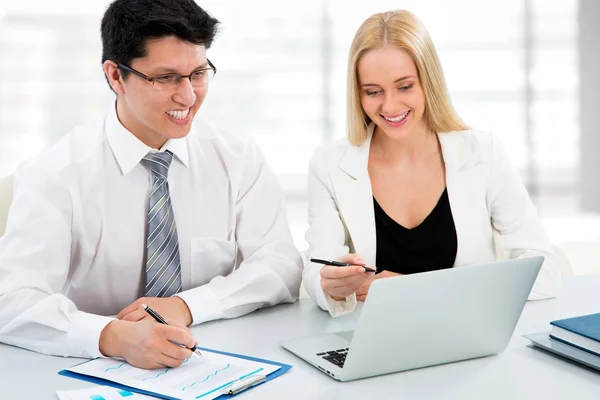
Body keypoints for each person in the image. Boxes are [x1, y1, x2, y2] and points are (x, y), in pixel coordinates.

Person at [0, 0, 302, 369]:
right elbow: (11, 300)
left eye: (198, 73)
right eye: (166, 78)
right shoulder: (55, 175)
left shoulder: (236, 158)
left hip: (213, 363)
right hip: (91, 370)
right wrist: (112, 336)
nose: (188, 97)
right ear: (115, 77)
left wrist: (186, 306)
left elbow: (281, 264)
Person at [302, 10, 562, 317]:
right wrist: (332, 285)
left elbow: (544, 270)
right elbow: (316, 269)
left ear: (429, 81)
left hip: (468, 334)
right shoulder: (330, 164)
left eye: (405, 86)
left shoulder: (482, 153)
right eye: (373, 92)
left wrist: (413, 289)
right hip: (370, 339)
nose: (390, 105)